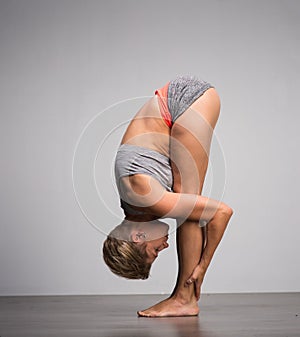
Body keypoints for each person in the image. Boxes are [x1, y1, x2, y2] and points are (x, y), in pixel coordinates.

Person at [102, 75, 233, 317]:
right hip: (177, 103)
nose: (165, 245)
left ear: (138, 236)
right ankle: (184, 298)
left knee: (188, 203)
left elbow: (221, 212)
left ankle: (185, 299)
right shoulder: (135, 205)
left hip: (184, 102)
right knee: (188, 206)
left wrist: (202, 267)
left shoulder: (146, 199)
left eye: (155, 251)